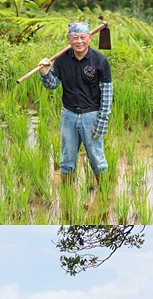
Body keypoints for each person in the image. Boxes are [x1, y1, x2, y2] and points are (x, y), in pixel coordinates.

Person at [37, 22, 113, 185]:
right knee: (67, 159)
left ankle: (104, 194)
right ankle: (67, 194)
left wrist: (103, 119)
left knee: (97, 159)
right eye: (75, 38)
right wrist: (45, 73)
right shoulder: (62, 60)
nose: (79, 41)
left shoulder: (99, 60)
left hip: (91, 115)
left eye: (82, 37)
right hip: (68, 115)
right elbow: (53, 85)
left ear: (89, 38)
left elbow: (107, 92)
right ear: (69, 39)